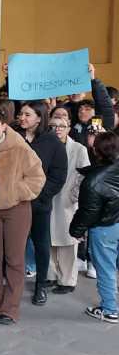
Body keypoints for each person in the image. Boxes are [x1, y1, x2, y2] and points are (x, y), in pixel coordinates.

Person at [0, 106, 45, 325]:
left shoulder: (20, 148)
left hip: (17, 208)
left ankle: (11, 308)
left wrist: (15, 193)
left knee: (15, 259)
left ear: (4, 125)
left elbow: (37, 178)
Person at [17, 101, 68, 306]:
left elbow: (58, 175)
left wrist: (40, 195)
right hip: (14, 201)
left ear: (39, 118)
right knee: (14, 245)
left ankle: (40, 286)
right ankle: (13, 285)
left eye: (27, 115)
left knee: (41, 245)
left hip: (39, 204)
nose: (22, 118)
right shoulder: (14, 136)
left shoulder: (52, 141)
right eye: (21, 114)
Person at [70, 132, 119, 323]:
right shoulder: (96, 176)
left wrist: (76, 230)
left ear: (96, 151)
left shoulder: (93, 181)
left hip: (105, 227)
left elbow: (88, 211)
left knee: (105, 268)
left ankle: (110, 310)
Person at [47, 115, 89, 294]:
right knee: (48, 239)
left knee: (68, 241)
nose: (58, 129)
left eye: (62, 126)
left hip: (68, 201)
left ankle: (67, 281)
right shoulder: (46, 146)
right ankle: (51, 276)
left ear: (69, 128)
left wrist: (75, 196)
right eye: (54, 126)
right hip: (48, 198)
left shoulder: (79, 149)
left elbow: (84, 175)